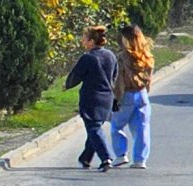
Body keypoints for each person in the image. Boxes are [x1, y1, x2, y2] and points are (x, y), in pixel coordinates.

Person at [65, 25, 119, 172]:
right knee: (94, 127)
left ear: (90, 41)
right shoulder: (111, 55)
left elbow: (75, 76)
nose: (82, 42)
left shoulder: (88, 57)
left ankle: (106, 158)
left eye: (84, 39)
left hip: (91, 98)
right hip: (107, 97)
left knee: (93, 128)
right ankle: (85, 158)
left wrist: (67, 85)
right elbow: (114, 75)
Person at [110, 24, 154, 168]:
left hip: (127, 93)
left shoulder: (123, 57)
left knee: (116, 125)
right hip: (142, 94)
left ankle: (121, 154)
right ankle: (140, 159)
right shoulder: (146, 54)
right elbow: (149, 77)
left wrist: (116, 97)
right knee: (142, 127)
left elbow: (119, 80)